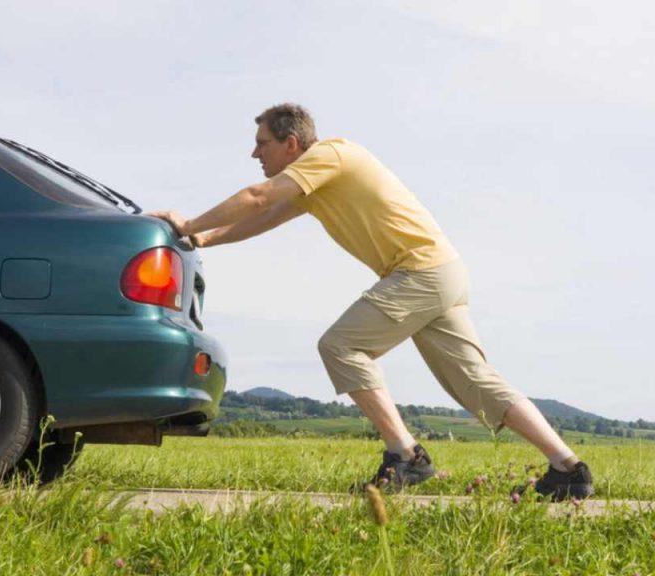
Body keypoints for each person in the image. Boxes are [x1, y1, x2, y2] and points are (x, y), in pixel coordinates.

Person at [150, 103, 593, 499]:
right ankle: (568, 469)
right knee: (475, 381)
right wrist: (200, 236)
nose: (254, 154)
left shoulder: (331, 154)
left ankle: (406, 455)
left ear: (291, 144)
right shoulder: (316, 182)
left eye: (261, 143)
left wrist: (187, 222)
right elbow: (265, 215)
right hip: (442, 272)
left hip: (420, 271)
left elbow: (256, 197)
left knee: (341, 346)